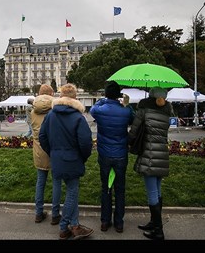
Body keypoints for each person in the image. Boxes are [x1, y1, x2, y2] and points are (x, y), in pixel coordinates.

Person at [39, 83, 94, 240]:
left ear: (61, 95)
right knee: (72, 193)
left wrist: (53, 152)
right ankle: (64, 228)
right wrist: (82, 157)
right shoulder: (78, 117)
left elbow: (42, 137)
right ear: (75, 97)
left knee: (72, 193)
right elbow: (85, 142)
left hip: (56, 158)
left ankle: (75, 224)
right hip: (73, 159)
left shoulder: (51, 115)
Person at [128, 86, 173, 240]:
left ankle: (158, 231)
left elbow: (134, 131)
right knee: (158, 190)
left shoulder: (144, 110)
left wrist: (129, 141)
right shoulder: (167, 112)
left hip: (149, 154)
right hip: (162, 154)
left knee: (152, 193)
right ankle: (154, 223)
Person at [89, 81, 135, 234]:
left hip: (105, 154)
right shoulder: (125, 111)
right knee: (120, 189)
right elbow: (133, 119)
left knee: (106, 188)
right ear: (119, 95)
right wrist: (126, 104)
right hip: (121, 154)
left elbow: (93, 109)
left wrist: (104, 99)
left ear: (106, 94)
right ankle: (119, 223)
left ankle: (104, 221)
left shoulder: (100, 110)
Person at [30, 85, 62, 225]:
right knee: (56, 182)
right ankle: (55, 214)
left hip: (39, 149)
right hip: (54, 148)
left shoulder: (33, 111)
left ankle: (38, 213)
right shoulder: (56, 109)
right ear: (51, 94)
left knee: (40, 181)